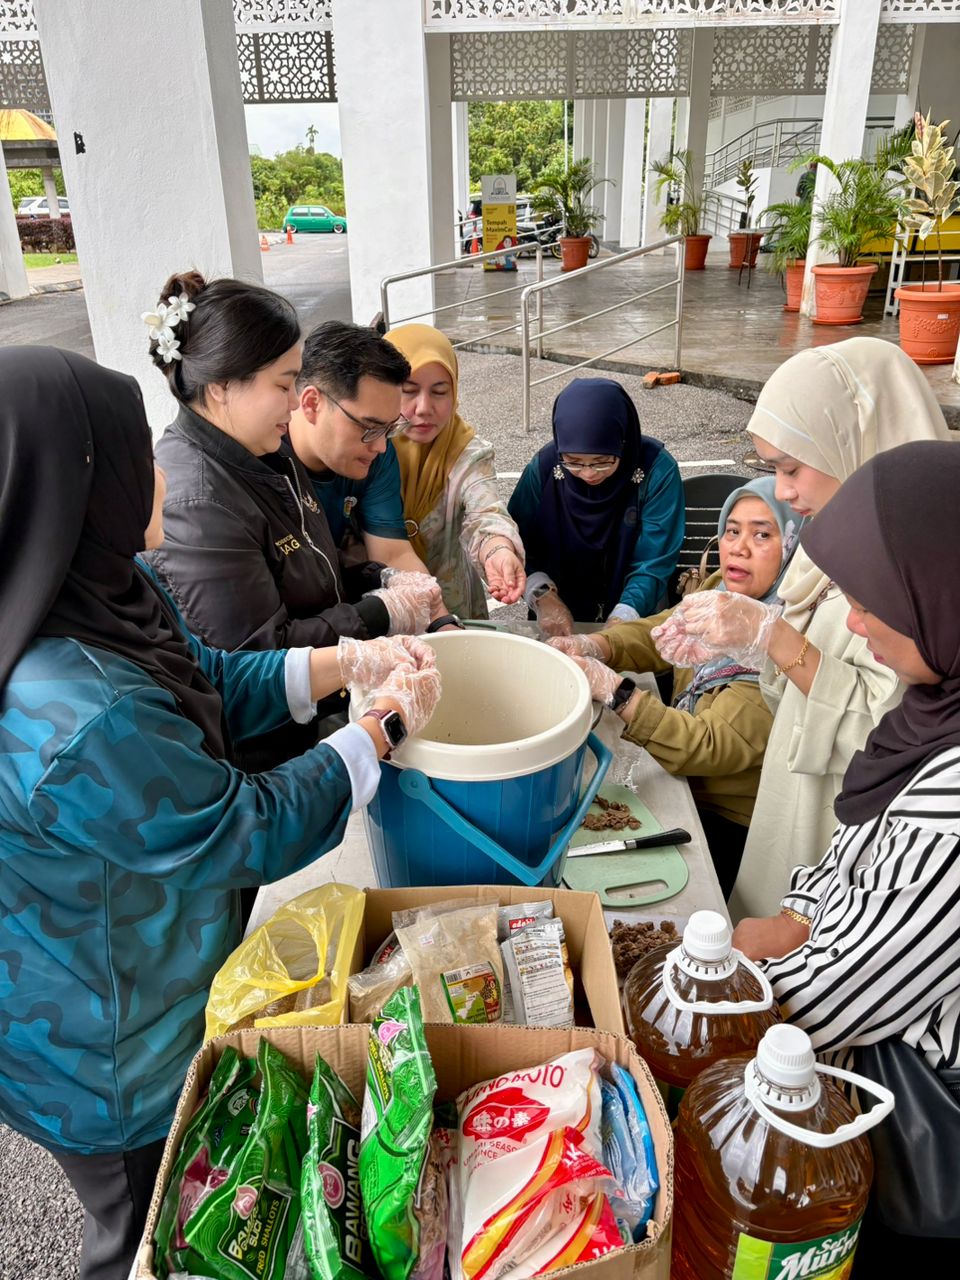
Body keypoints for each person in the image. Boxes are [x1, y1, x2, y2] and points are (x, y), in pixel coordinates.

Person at [0, 347, 441, 1280]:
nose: (161, 470)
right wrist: (380, 730)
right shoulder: (73, 710)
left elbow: (204, 676)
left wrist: (342, 666)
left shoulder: (103, 582)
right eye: (138, 453)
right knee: (144, 1230)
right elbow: (242, 828)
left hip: (152, 965)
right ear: (79, 483)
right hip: (106, 1049)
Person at [732, 441, 960, 1270]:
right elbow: (856, 846)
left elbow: (824, 1001)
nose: (856, 625)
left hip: (914, 1135)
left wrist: (725, 976)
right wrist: (800, 911)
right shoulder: (933, 706)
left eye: (872, 604)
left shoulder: (952, 822)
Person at [657, 337, 951, 918]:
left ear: (853, 440)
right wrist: (754, 640)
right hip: (793, 793)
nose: (785, 490)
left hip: (850, 822)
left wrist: (772, 635)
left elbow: (892, 727)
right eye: (772, 469)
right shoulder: (826, 546)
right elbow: (792, 689)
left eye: (791, 468)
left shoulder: (918, 563)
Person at [147, 273, 443, 772]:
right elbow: (258, 665)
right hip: (263, 759)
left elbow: (309, 571)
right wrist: (379, 614)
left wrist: (384, 580)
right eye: (284, 384)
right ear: (221, 387)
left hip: (306, 725)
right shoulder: (198, 501)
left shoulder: (265, 451)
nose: (294, 401)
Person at [550, 477, 802, 897]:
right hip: (678, 780)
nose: (738, 548)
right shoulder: (724, 590)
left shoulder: (783, 639)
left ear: (795, 547)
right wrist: (597, 645)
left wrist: (618, 693)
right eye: (732, 530)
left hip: (724, 819)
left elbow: (706, 745)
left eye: (762, 535)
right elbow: (665, 631)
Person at [508, 377, 684, 635]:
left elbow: (655, 559)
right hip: (556, 616)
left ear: (623, 441)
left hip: (638, 611)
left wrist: (622, 620)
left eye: (603, 461)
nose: (588, 473)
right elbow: (515, 542)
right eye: (573, 461)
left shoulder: (656, 470)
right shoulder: (545, 467)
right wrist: (541, 596)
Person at [384, 322, 527, 619]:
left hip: (452, 607)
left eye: (440, 391)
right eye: (408, 390)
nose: (424, 408)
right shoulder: (367, 447)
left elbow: (486, 512)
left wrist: (498, 550)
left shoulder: (466, 453)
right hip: (380, 607)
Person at [286, 320, 437, 580]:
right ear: (312, 404)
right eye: (369, 427)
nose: (381, 446)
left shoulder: (376, 451)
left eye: (390, 428)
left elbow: (393, 554)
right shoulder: (259, 462)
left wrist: (431, 603)